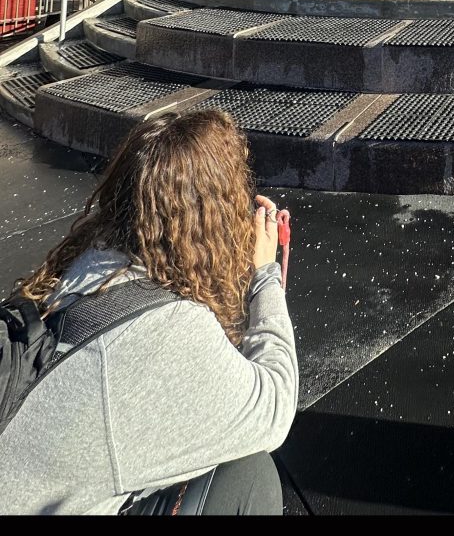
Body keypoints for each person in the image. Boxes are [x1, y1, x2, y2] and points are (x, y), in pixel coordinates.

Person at [0, 109, 298, 515]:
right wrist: (264, 275)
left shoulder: (94, 262)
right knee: (249, 476)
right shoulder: (168, 332)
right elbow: (274, 407)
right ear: (213, 221)